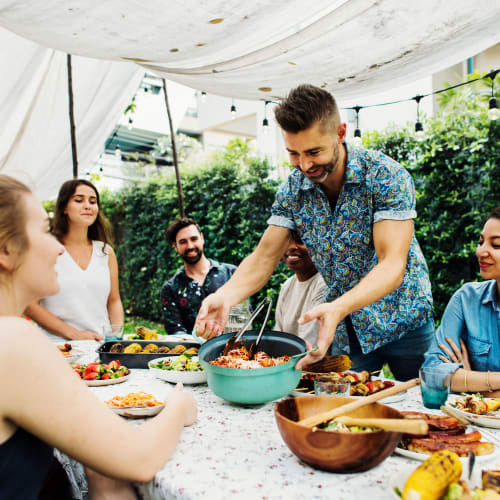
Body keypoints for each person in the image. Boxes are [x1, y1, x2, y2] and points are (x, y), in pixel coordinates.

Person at [195, 84, 434, 380]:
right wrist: (226, 295)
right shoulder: (293, 190)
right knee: (345, 412)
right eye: (293, 153)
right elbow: (264, 256)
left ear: (341, 133)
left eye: (314, 151)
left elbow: (392, 264)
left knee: (424, 407)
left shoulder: (385, 175)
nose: (304, 165)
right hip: (344, 327)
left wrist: (338, 306)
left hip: (404, 319)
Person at [0, 174, 197, 499]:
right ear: (6, 250)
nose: (57, 248)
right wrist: (178, 405)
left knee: (105, 480)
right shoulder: (14, 341)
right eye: (44, 231)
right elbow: (139, 459)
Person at [25, 179, 123, 341]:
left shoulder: (106, 252)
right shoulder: (45, 247)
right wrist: (74, 334)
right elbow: (30, 305)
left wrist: (116, 336)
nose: (88, 206)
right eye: (79, 200)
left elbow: (114, 301)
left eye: (93, 202)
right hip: (58, 347)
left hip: (99, 346)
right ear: (64, 208)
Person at [422, 207, 500, 396]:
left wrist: (468, 379)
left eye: (496, 245)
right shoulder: (466, 299)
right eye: (481, 242)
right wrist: (491, 382)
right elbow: (432, 373)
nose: (481, 251)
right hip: (472, 422)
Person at [160, 217, 236, 335]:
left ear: (202, 238)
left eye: (194, 239)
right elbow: (176, 334)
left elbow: (244, 316)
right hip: (194, 352)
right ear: (175, 246)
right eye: (183, 241)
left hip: (236, 349)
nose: (190, 246)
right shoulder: (170, 289)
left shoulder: (231, 273)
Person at [274, 231, 326, 345]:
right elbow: (278, 335)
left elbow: (309, 343)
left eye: (301, 241)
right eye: (287, 241)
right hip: (287, 359)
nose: (291, 247)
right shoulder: (287, 286)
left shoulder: (324, 284)